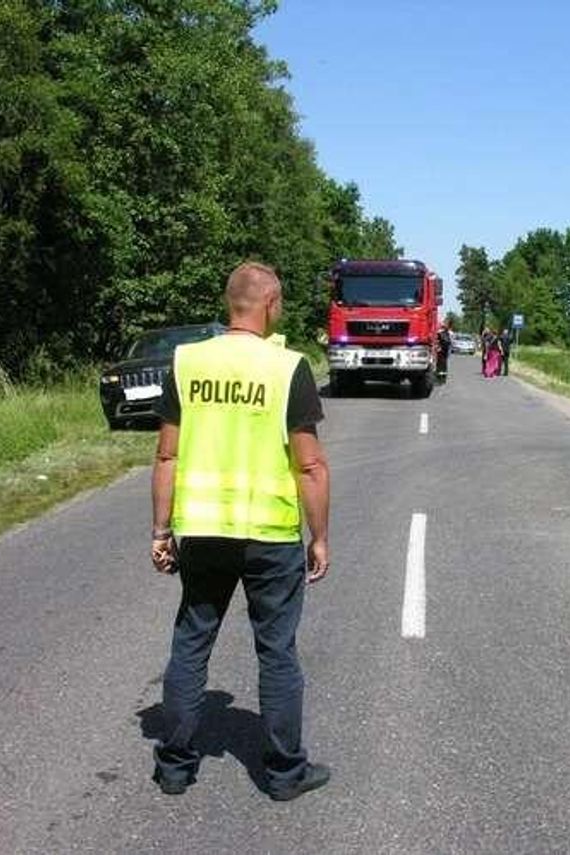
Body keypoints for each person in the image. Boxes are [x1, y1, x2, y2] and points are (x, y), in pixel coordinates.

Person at [149, 261, 331, 802]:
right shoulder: (287, 368)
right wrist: (318, 537)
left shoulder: (188, 362)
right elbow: (311, 466)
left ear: (231, 304)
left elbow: (166, 455)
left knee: (191, 642)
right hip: (270, 535)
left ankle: (176, 768)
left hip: (202, 531)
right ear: (270, 304)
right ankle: (283, 774)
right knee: (276, 651)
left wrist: (161, 530)